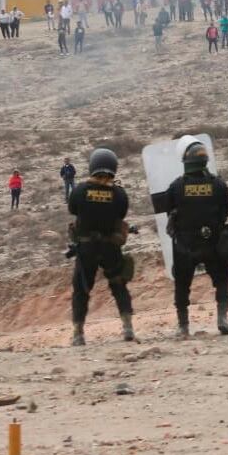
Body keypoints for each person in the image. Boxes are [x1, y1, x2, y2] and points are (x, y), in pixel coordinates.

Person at [165, 141, 228, 337]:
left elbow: (168, 210)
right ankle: (222, 319)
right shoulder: (219, 184)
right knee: (221, 278)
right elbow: (226, 210)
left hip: (185, 244)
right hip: (213, 241)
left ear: (186, 161)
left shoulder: (176, 186)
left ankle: (183, 326)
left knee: (182, 283)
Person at [67, 148, 135, 347]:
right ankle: (128, 327)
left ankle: (78, 333)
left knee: (81, 290)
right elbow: (121, 214)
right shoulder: (119, 194)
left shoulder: (80, 191)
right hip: (110, 247)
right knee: (119, 285)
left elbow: (72, 209)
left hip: (86, 249)